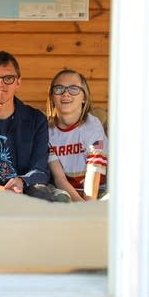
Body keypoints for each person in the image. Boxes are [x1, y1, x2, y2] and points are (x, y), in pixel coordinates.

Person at [0, 50, 70, 202]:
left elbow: (41, 169)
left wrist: (22, 181)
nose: (0, 84)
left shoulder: (36, 120)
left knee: (47, 195)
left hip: (25, 192)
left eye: (8, 78)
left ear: (18, 82)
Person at [46, 68, 108, 201]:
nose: (66, 94)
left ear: (84, 97)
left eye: (73, 89)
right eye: (59, 89)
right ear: (52, 97)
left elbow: (94, 169)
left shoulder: (92, 126)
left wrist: (88, 207)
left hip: (97, 190)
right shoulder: (47, 131)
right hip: (65, 191)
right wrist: (81, 207)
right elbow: (59, 178)